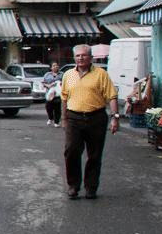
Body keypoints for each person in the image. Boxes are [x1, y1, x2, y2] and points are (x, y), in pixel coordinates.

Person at [61, 44, 119, 200]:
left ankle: (91, 187)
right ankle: (73, 186)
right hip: (74, 118)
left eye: (84, 55)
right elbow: (64, 98)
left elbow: (112, 96)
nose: (81, 58)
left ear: (91, 57)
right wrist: (64, 118)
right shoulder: (68, 75)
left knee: (94, 154)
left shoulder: (101, 74)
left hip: (96, 118)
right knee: (71, 151)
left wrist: (115, 117)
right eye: (78, 55)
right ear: (74, 58)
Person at [42, 62, 62, 127]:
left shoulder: (62, 74)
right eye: (53, 66)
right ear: (51, 67)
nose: (55, 67)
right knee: (48, 107)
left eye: (56, 65)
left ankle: (56, 122)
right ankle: (50, 118)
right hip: (49, 93)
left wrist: (60, 83)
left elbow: (65, 83)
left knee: (57, 108)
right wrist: (49, 85)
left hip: (57, 93)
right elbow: (43, 83)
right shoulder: (47, 74)